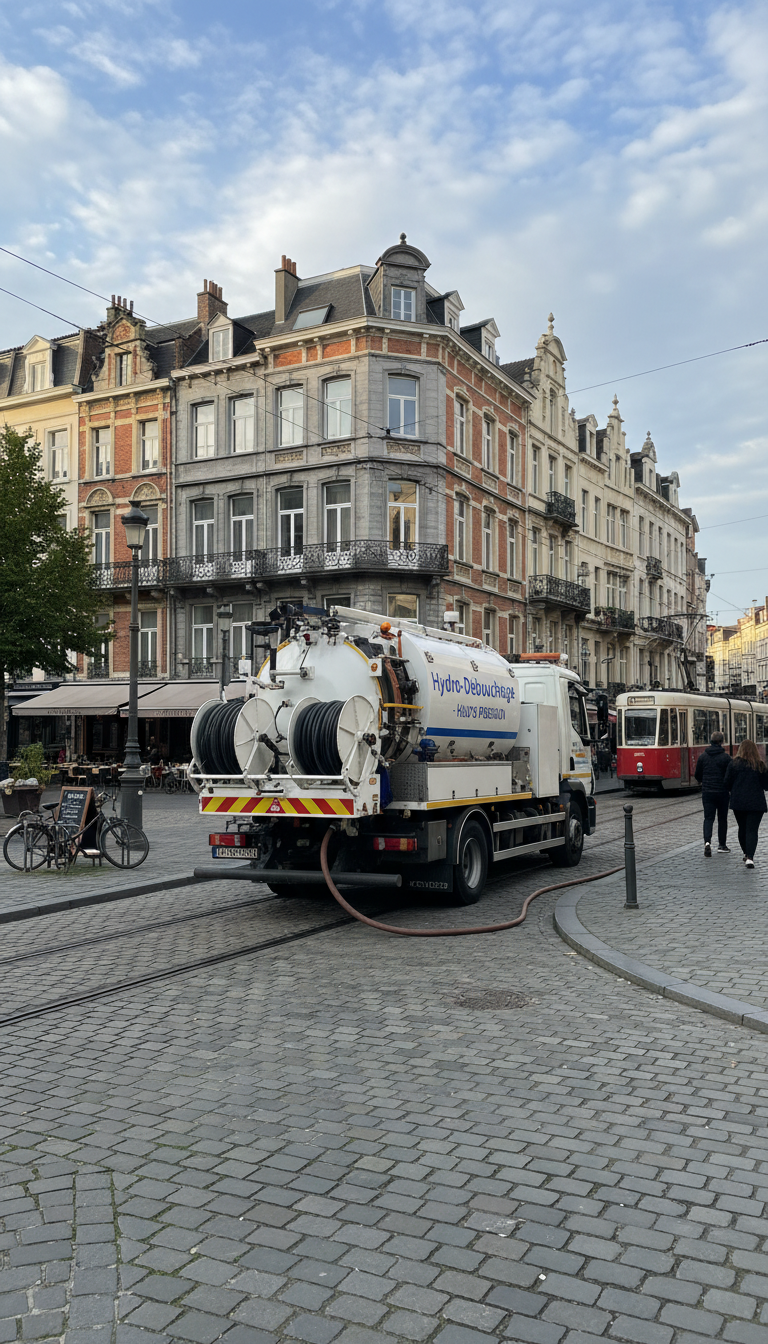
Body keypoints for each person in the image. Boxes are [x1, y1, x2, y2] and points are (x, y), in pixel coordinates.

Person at [724, 739, 768, 870]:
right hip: (756, 802)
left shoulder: (734, 764)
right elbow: (766, 785)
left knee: (742, 828)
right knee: (752, 830)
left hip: (739, 802)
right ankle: (750, 856)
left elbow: (726, 782)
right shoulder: (759, 765)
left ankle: (745, 852)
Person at [694, 730, 731, 857]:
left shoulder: (703, 756)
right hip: (722, 792)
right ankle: (722, 845)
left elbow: (697, 774)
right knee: (722, 819)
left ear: (711, 741)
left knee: (708, 818)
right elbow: (729, 775)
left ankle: (707, 842)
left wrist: (702, 781)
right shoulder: (726, 757)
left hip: (707, 792)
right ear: (721, 742)